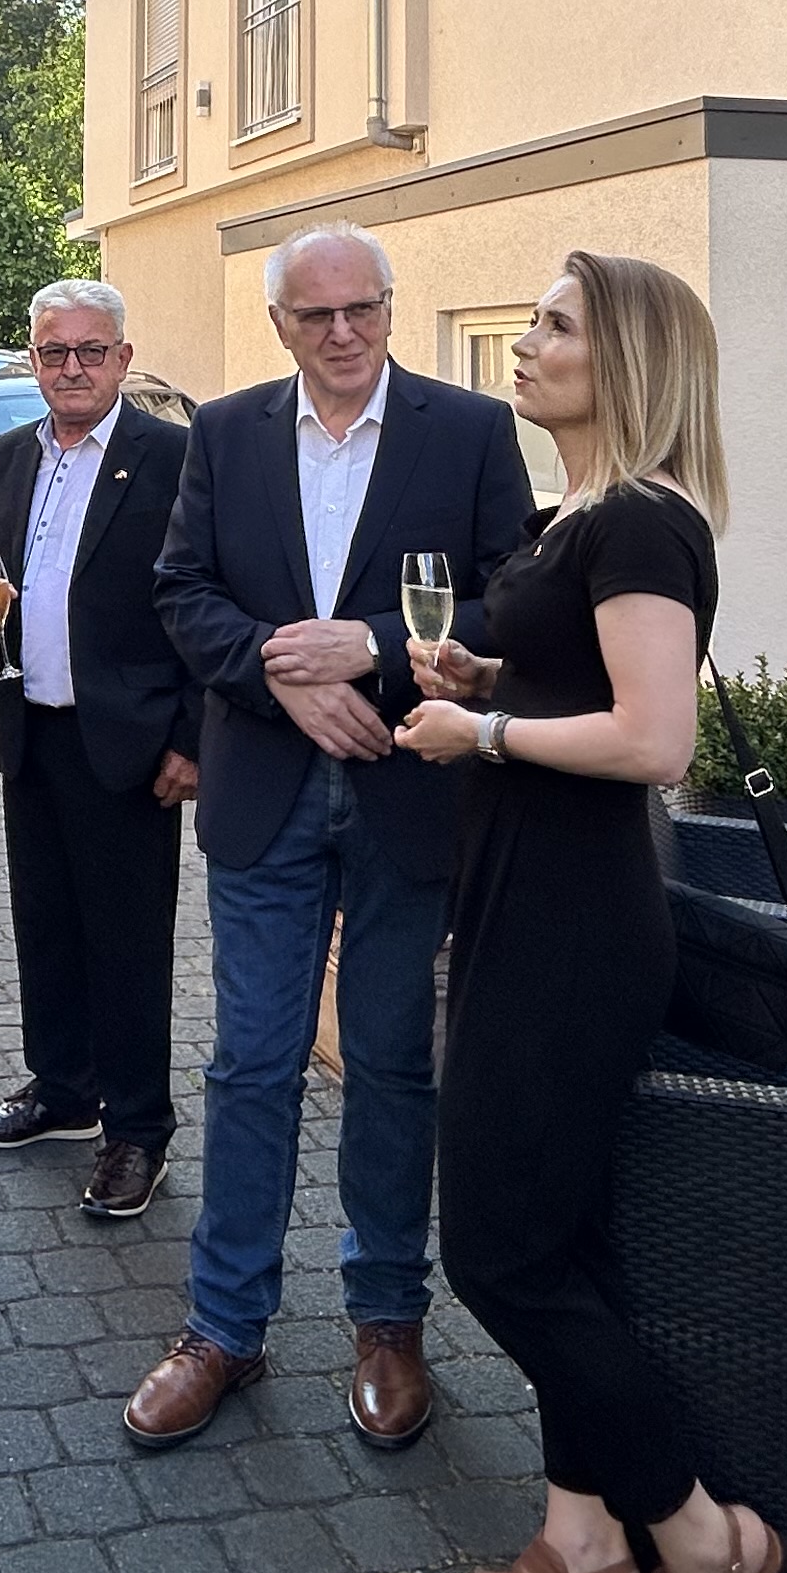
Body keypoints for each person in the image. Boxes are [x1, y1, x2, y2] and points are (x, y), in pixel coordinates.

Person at [396, 253, 784, 1573]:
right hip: (526, 901)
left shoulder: (640, 524)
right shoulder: (584, 517)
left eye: (557, 325)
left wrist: (483, 737)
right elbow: (590, 695)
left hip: (572, 927)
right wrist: (494, 684)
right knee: (562, 1246)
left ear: (622, 359)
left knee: (496, 1253)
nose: (528, 342)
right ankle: (582, 1552)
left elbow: (653, 741)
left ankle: (695, 1537)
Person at [130, 221, 534, 1453]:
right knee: (250, 1061)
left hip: (409, 791)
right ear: (280, 326)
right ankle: (226, 1325)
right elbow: (182, 592)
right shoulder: (227, 432)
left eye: (364, 308)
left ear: (393, 309)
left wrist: (367, 645)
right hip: (265, 788)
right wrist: (275, 673)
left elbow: (514, 593)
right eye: (318, 316)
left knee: (393, 1061)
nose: (344, 332)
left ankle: (388, 1318)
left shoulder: (466, 432)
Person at [0, 281, 198, 1219]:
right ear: (33, 360)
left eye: (91, 352)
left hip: (131, 743)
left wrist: (192, 740)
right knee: (46, 927)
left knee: (128, 944)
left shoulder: (171, 456)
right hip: (35, 729)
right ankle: (62, 1092)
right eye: (55, 354)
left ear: (124, 360)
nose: (73, 370)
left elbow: (206, 601)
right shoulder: (11, 455)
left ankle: (138, 1129)